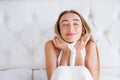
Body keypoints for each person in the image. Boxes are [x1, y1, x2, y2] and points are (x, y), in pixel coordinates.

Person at [45, 10, 100, 80]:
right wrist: (66, 52)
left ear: (83, 29)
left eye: (75, 24)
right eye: (64, 24)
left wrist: (78, 51)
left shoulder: (90, 45)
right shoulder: (51, 45)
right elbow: (53, 78)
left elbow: (89, 78)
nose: (70, 28)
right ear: (59, 30)